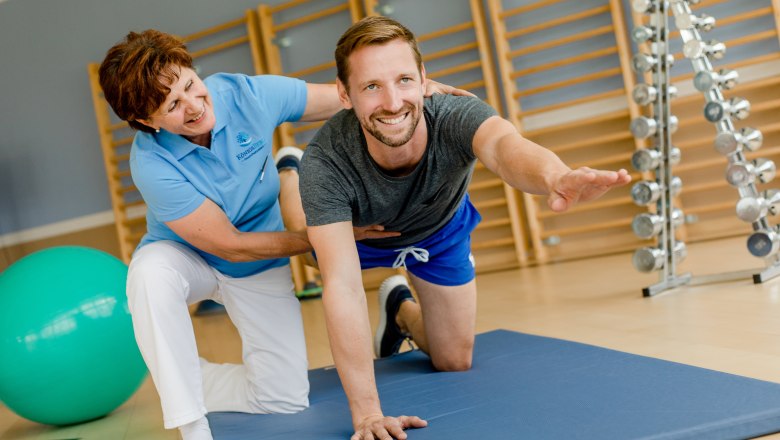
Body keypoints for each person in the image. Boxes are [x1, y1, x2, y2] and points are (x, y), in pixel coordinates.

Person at [97, 29, 465, 440]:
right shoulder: (151, 163)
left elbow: (340, 96)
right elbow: (228, 246)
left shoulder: (242, 95)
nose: (195, 105)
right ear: (146, 122)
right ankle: (191, 424)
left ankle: (185, 377)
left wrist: (407, 91)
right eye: (173, 106)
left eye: (190, 85)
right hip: (190, 257)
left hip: (259, 257)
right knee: (149, 274)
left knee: (282, 398)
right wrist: (334, 234)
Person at [299, 16, 632, 440]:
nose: (392, 101)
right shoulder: (325, 164)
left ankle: (398, 306)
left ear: (424, 79)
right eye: (371, 87)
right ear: (344, 94)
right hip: (358, 235)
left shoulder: (454, 114)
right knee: (307, 243)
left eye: (403, 80)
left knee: (453, 359)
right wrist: (367, 413)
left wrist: (555, 176)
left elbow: (504, 146)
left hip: (437, 231)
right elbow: (343, 288)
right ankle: (286, 173)